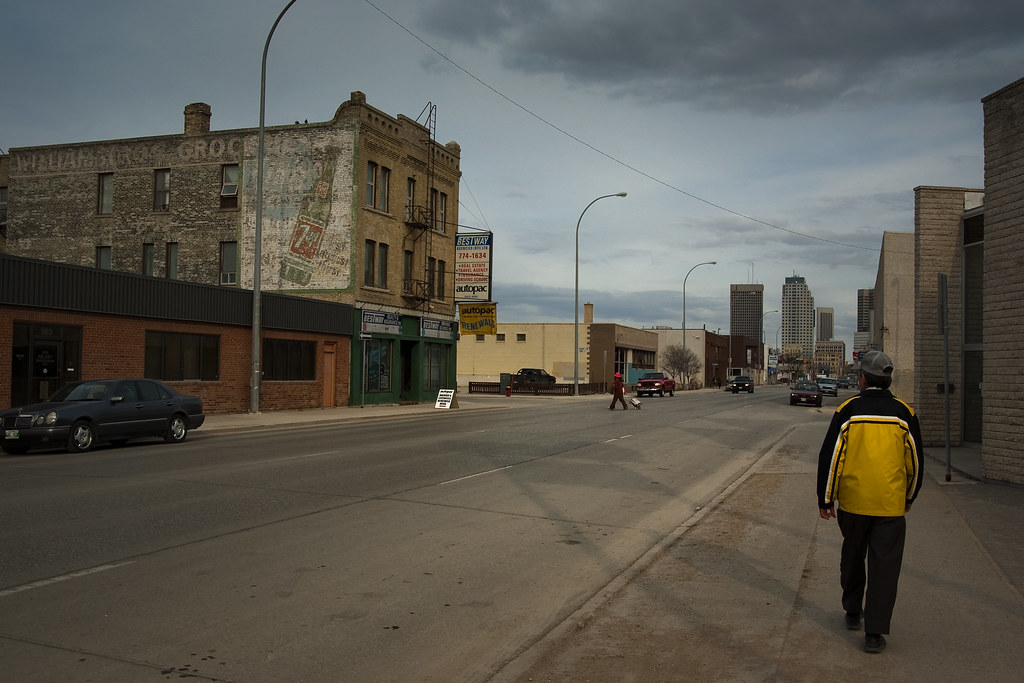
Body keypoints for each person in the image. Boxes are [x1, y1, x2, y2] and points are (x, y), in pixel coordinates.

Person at [816, 350, 923, 654]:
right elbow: (915, 461)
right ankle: (874, 633)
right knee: (885, 567)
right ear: (888, 380)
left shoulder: (849, 410)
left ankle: (852, 611)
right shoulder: (905, 414)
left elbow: (832, 456)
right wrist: (909, 496)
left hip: (853, 503)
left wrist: (826, 498)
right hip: (890, 506)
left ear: (862, 379)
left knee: (852, 557)